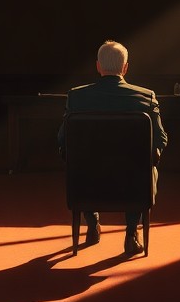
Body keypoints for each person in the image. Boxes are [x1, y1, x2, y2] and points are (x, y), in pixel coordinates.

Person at [58, 40, 169, 256]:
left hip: (87, 182)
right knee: (145, 168)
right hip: (132, 182)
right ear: (125, 67)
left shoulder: (76, 97)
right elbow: (161, 139)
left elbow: (63, 140)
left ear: (98, 66)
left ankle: (92, 224)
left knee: (80, 165)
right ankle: (131, 234)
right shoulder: (146, 97)